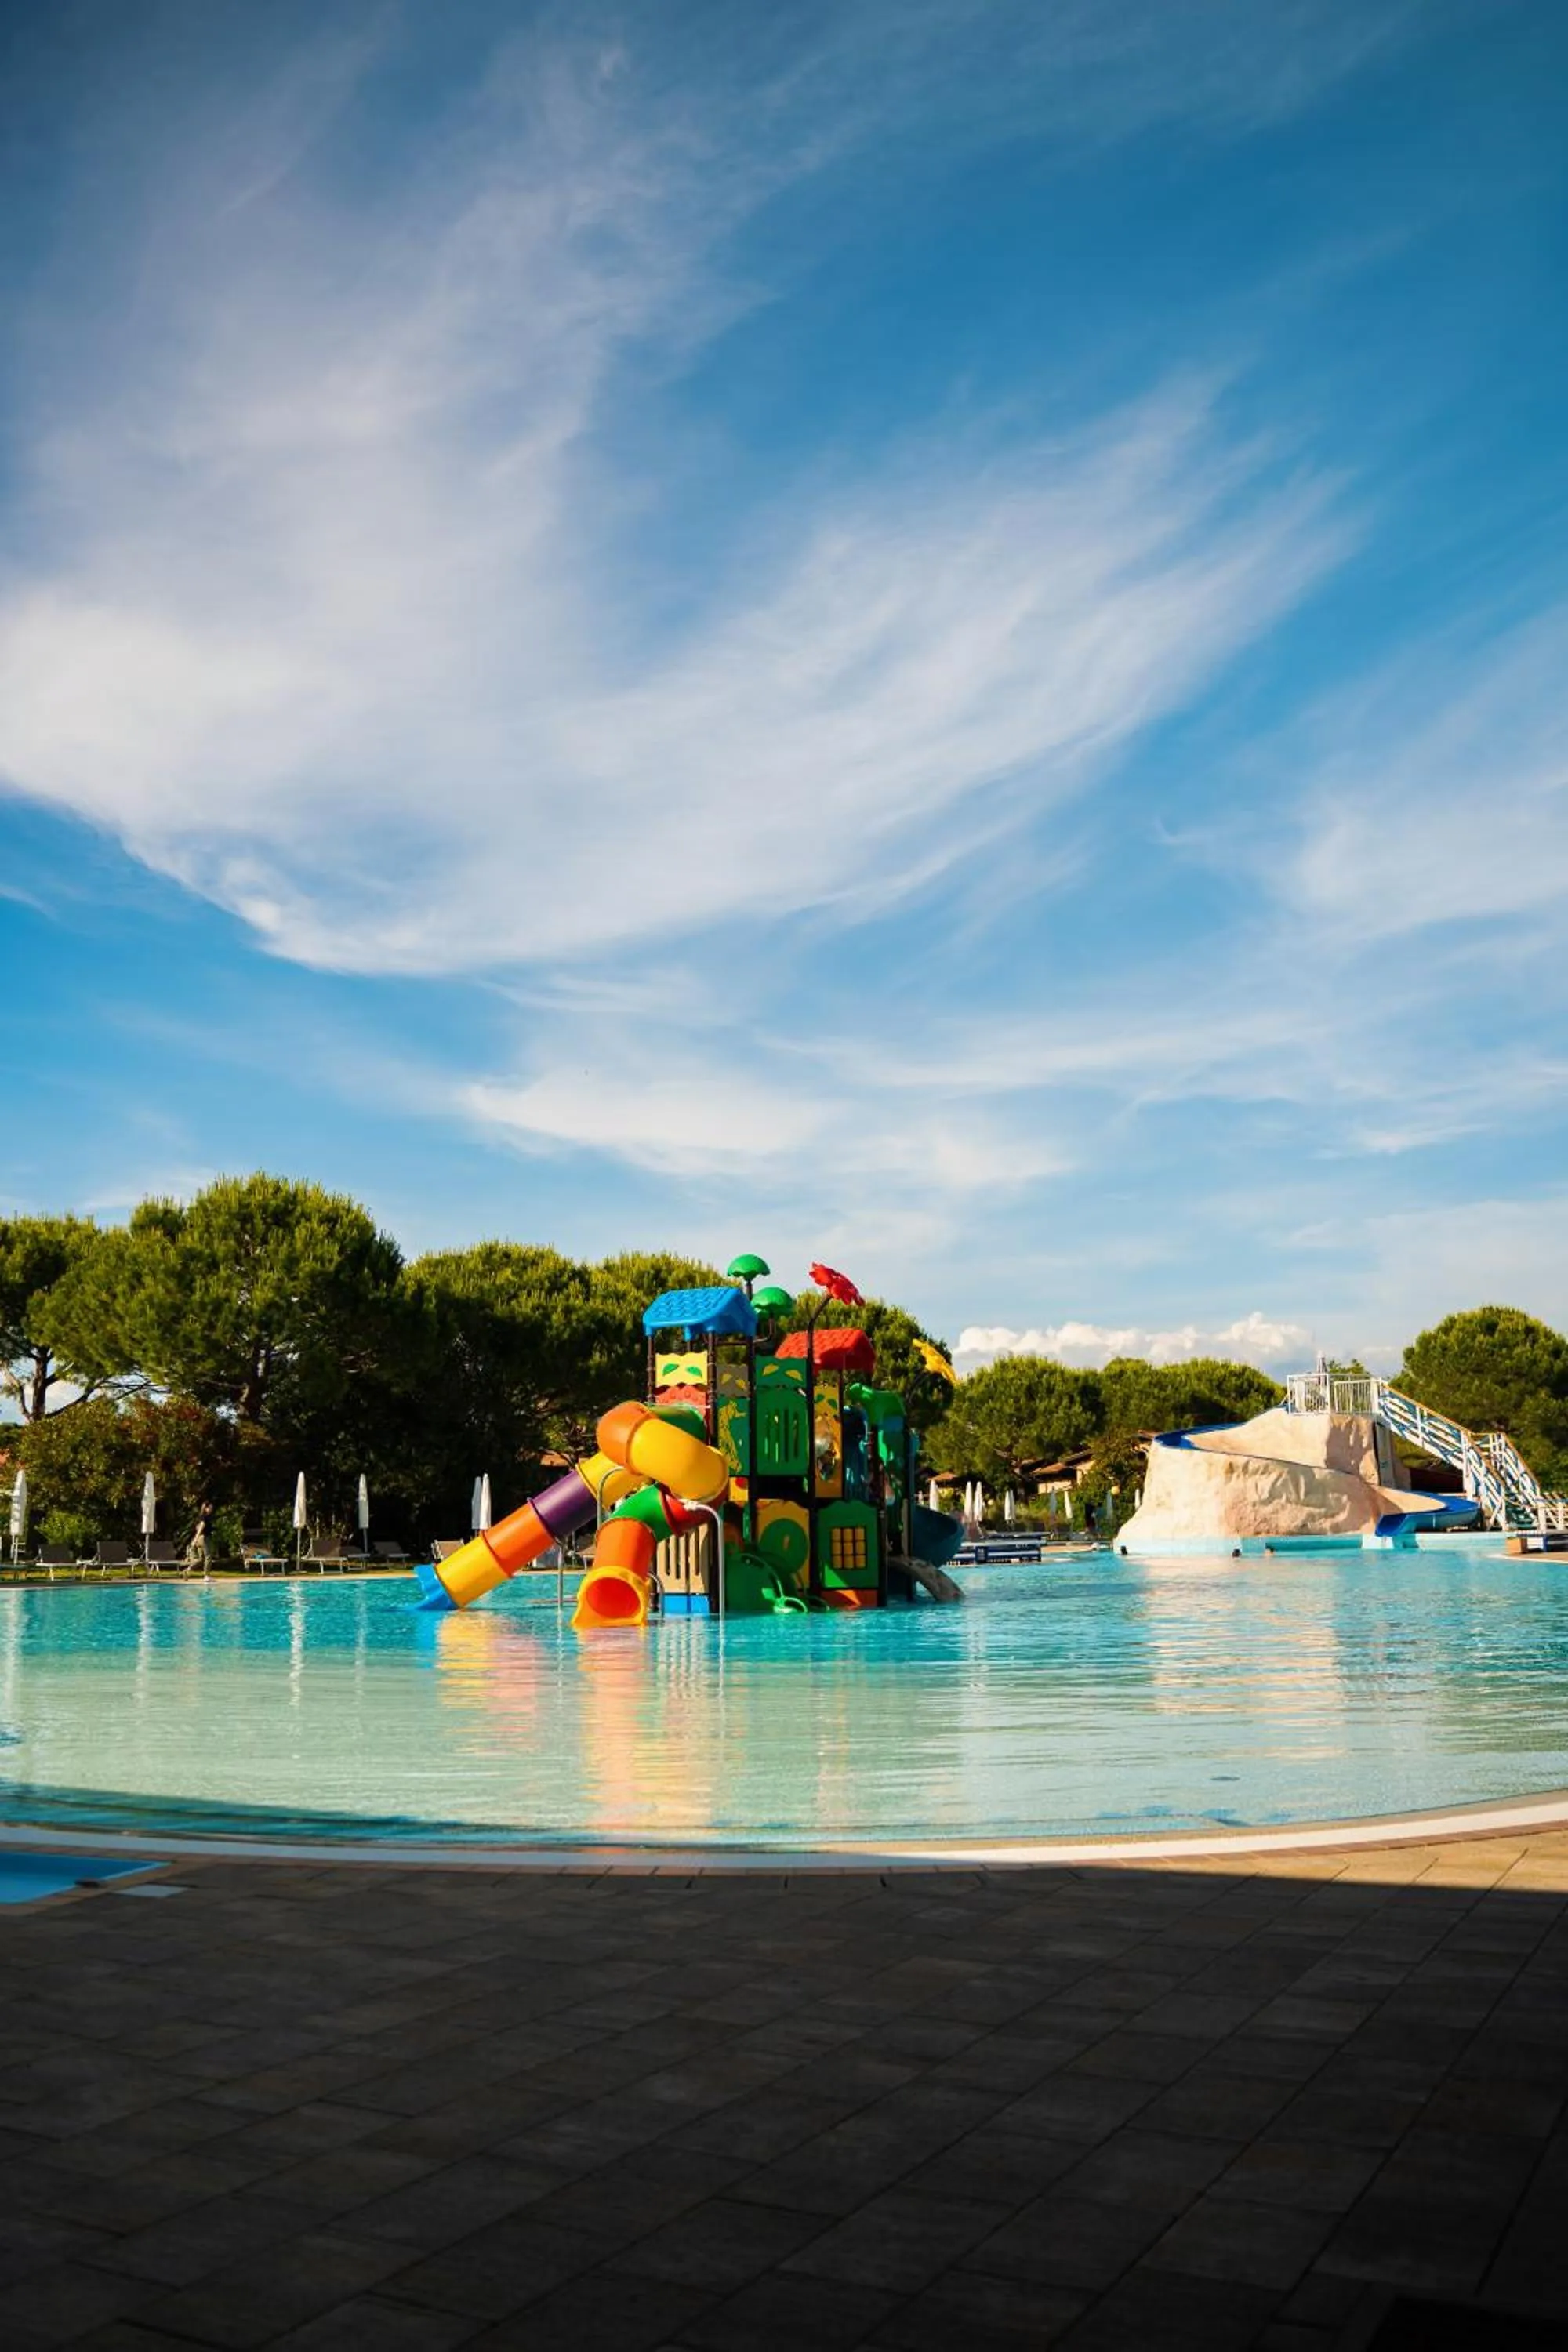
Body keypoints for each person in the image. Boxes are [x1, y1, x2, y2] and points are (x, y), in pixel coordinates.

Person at [185, 1499, 215, 1571]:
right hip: (204, 1538)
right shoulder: (204, 1517)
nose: (211, 1509)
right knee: (208, 1556)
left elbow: (198, 1527)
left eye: (212, 1508)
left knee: (201, 1559)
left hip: (203, 1538)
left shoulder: (204, 1517)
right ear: (206, 1508)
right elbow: (201, 1527)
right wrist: (195, 1539)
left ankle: (188, 1570)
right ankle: (206, 1575)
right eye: (210, 1508)